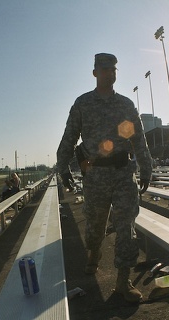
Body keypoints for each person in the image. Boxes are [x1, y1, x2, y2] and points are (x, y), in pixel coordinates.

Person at [56, 53, 153, 303]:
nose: (109, 73)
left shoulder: (125, 105)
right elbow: (69, 137)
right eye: (104, 69)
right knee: (94, 226)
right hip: (96, 175)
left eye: (113, 69)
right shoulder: (83, 104)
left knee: (126, 227)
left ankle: (122, 281)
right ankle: (94, 252)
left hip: (123, 173)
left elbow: (138, 139)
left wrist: (146, 166)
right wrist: (63, 168)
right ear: (95, 73)